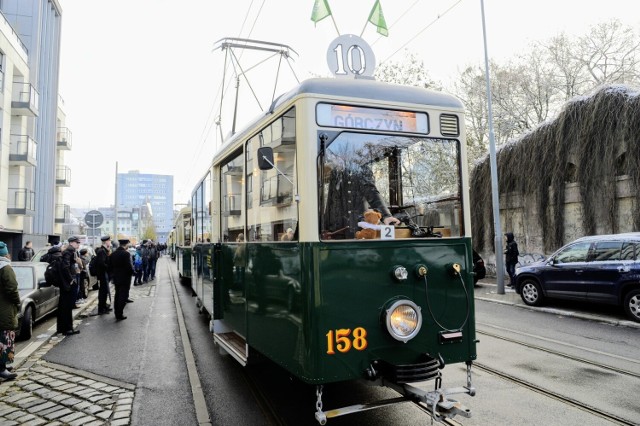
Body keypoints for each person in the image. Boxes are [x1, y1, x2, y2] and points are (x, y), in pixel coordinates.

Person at [323, 162, 400, 239]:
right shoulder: (335, 171)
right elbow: (331, 200)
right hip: (335, 232)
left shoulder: (360, 169)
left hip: (356, 232)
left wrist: (386, 215)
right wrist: (325, 227)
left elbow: (372, 192)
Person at [0, 241, 20, 380]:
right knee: (5, 338)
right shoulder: (5, 267)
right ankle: (1, 368)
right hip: (4, 308)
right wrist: (17, 301)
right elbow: (12, 288)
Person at [58, 236, 81, 335]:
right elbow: (65, 267)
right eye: (77, 242)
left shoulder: (70, 251)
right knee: (67, 306)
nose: (78, 244)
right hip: (68, 284)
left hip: (67, 282)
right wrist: (71, 280)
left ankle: (65, 328)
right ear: (71, 243)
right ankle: (67, 329)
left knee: (65, 306)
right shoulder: (68, 252)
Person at [110, 239, 134, 320]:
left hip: (116, 278)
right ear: (126, 245)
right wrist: (132, 272)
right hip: (125, 278)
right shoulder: (126, 254)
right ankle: (119, 314)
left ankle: (116, 312)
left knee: (117, 295)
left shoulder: (113, 254)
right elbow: (129, 266)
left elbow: (110, 267)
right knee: (123, 296)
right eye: (128, 244)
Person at [95, 236, 113, 314]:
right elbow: (101, 263)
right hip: (103, 274)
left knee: (105, 291)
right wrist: (109, 267)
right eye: (109, 241)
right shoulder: (101, 251)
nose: (110, 242)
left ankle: (104, 306)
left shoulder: (105, 250)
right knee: (103, 292)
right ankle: (101, 309)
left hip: (105, 274)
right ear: (106, 242)